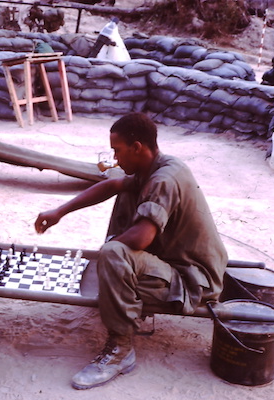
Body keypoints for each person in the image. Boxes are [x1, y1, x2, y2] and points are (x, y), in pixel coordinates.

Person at [34, 112, 228, 390]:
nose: (115, 159)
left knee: (114, 253)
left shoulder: (164, 179)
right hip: (182, 265)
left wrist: (109, 255)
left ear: (137, 147)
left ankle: (120, 351)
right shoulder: (155, 166)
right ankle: (120, 284)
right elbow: (112, 184)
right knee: (123, 193)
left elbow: (140, 239)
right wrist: (60, 211)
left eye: (118, 151)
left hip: (194, 282)